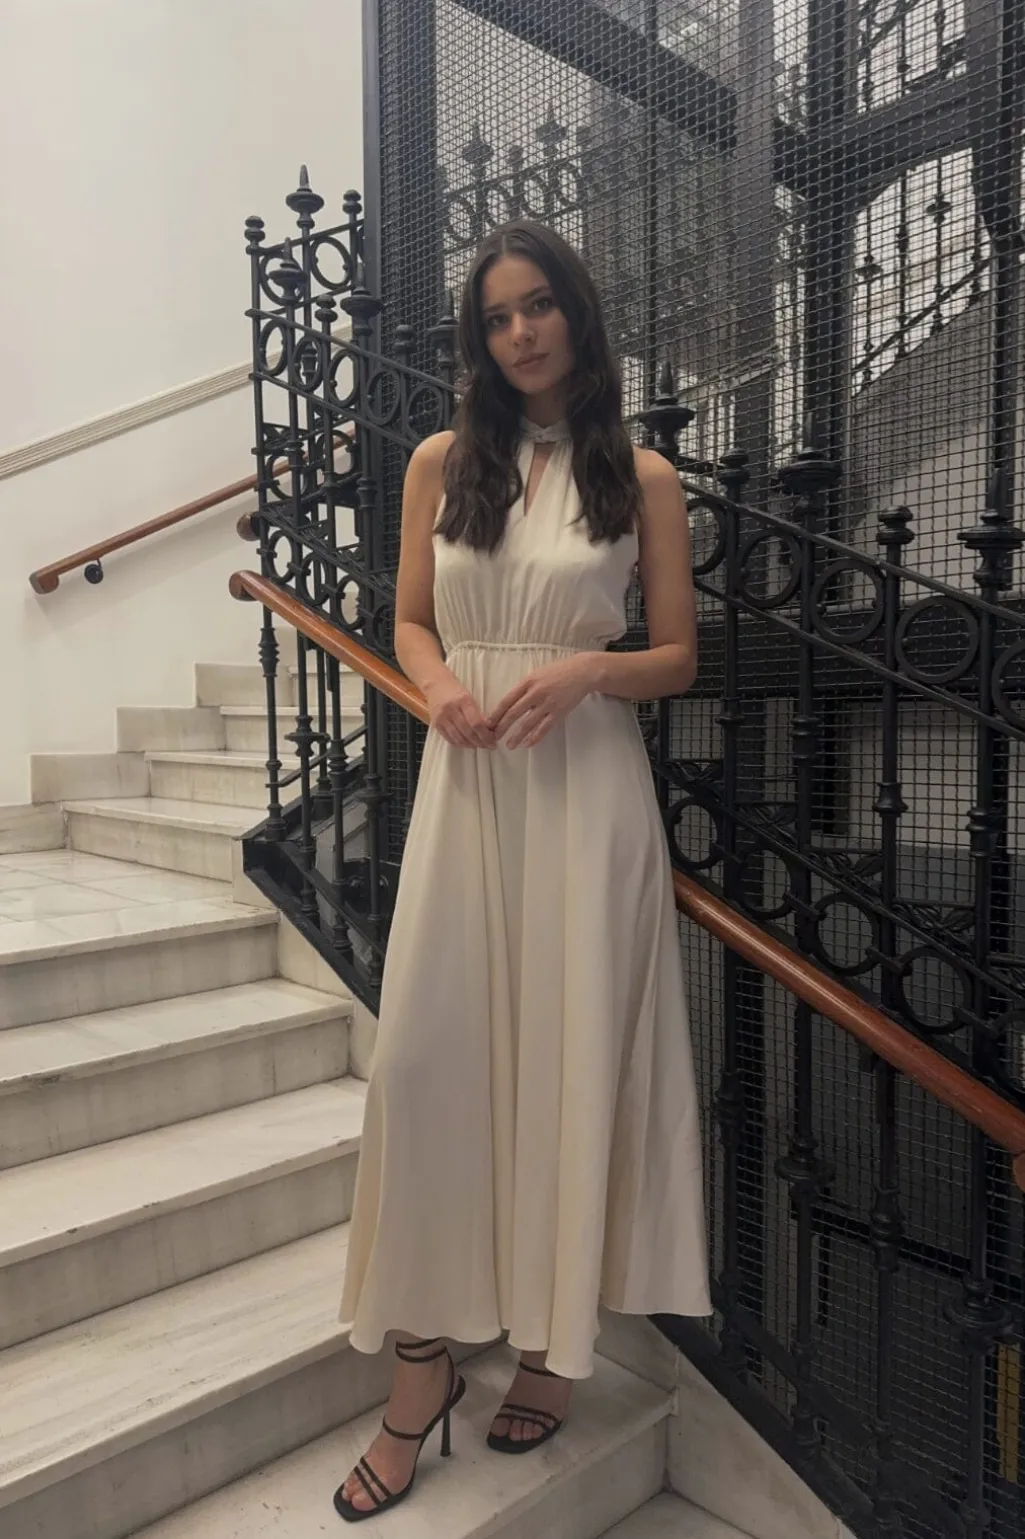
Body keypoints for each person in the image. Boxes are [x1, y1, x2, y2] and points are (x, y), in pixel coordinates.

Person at [334, 219, 710, 1523]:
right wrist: (436, 686)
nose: (519, 333)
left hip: (586, 791)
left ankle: (551, 1343)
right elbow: (409, 617)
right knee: (424, 1061)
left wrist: (589, 668)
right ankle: (421, 1367)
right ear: (477, 339)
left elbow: (677, 657)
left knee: (566, 1059)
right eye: (495, 317)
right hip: (472, 780)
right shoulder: (442, 461)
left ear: (576, 313)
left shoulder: (643, 477)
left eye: (538, 305)